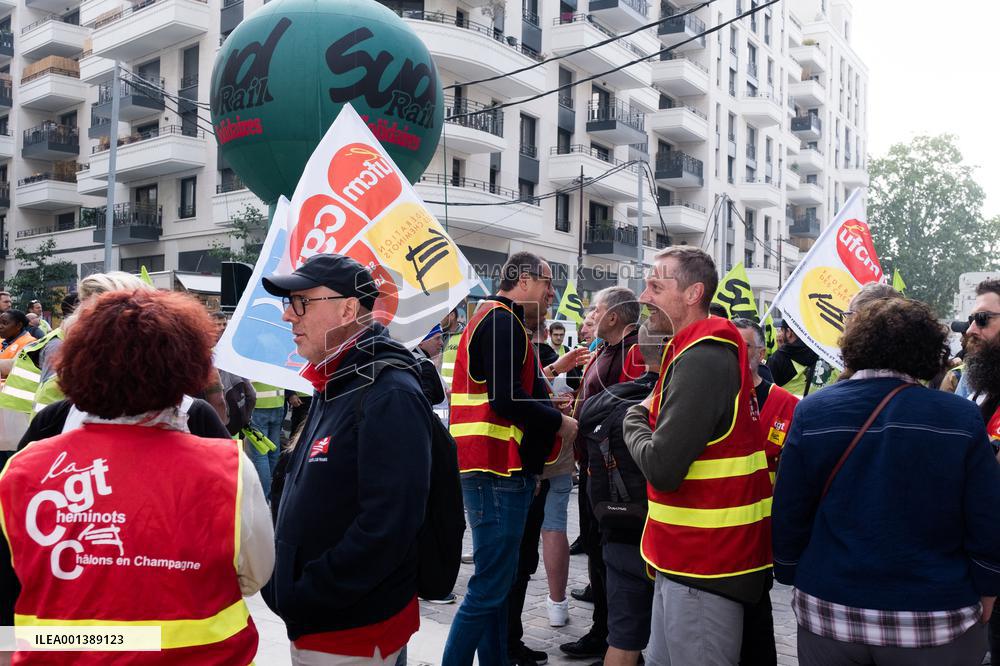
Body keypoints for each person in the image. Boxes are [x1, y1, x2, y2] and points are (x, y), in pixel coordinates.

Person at [0, 289, 274, 663]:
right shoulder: (227, 466)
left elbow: (13, 581)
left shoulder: (25, 468)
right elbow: (255, 574)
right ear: (185, 368)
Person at [772, 297, 1000, 665]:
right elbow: (986, 516)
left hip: (831, 609)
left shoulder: (813, 411)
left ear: (855, 344)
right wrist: (989, 585)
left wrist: (788, 568)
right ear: (928, 351)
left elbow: (789, 509)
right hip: (933, 617)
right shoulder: (960, 417)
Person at [261, 254, 433, 666]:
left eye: (302, 302)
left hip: (350, 630)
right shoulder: (336, 380)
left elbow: (389, 525)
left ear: (348, 309)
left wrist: (307, 592)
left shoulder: (388, 391)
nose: (288, 315)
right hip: (323, 623)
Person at [623, 246, 772, 665]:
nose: (644, 297)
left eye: (656, 287)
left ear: (693, 294)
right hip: (690, 560)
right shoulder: (697, 351)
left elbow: (662, 467)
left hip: (704, 565)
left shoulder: (703, 358)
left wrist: (632, 418)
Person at [443, 252, 576, 666]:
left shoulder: (498, 319)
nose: (552, 295)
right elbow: (505, 399)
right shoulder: (502, 321)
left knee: (496, 588)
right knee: (488, 589)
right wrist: (559, 422)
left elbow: (509, 396)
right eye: (548, 284)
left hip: (498, 467)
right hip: (494, 467)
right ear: (523, 281)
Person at [561, 286, 643, 662]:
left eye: (596, 309)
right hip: (593, 468)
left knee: (609, 558)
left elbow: (628, 412)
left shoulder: (633, 353)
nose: (589, 316)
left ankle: (613, 638)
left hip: (612, 474)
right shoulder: (605, 349)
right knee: (597, 552)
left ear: (613, 316)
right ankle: (603, 631)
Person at [579, 324, 666, 666]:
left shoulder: (607, 398)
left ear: (639, 353)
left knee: (623, 640)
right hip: (665, 540)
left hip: (616, 527)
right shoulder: (676, 398)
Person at [731, 318, 798, 666]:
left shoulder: (785, 404)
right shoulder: (706, 397)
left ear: (761, 353)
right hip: (717, 526)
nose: (735, 354)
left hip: (762, 529)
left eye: (743, 347)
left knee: (756, 611)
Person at [766, 320, 819, 397]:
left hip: (788, 403)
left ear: (789, 332)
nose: (779, 334)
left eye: (782, 330)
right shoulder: (819, 352)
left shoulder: (777, 359)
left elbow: (766, 392)